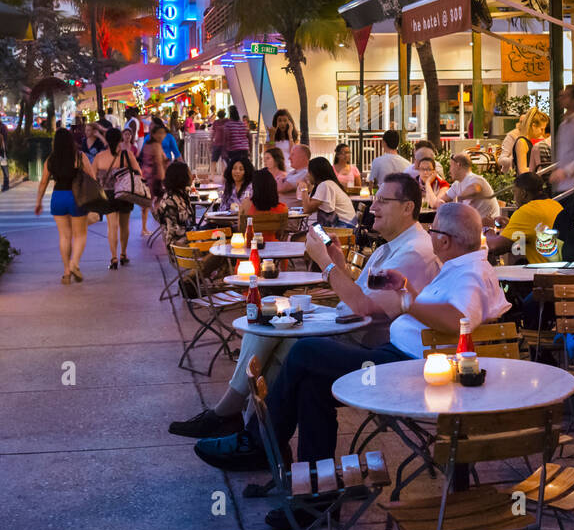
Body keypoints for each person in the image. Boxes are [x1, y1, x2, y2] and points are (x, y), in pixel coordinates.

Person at [193, 203, 509, 526]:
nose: (429, 235)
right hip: (401, 360)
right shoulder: (460, 266)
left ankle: (260, 444)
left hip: (409, 372)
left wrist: (406, 300)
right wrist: (407, 289)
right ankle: (315, 501)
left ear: (445, 240)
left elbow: (459, 320)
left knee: (305, 352)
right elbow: (436, 310)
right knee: (311, 385)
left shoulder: (471, 274)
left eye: (434, 231)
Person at [170, 173, 441, 442]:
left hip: (366, 345)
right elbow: (361, 293)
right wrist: (339, 263)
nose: (372, 207)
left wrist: (325, 262)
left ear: (408, 207)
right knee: (271, 317)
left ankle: (239, 424)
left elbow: (362, 305)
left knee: (280, 340)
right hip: (351, 330)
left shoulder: (413, 253)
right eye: (375, 199)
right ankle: (250, 432)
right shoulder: (393, 247)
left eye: (382, 200)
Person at [34, 128, 96, 286]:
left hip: (58, 198)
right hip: (76, 197)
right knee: (80, 234)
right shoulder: (79, 157)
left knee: (64, 236)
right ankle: (74, 263)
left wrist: (39, 201)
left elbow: (43, 183)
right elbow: (92, 177)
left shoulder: (51, 159)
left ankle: (66, 273)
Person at [484, 172, 563, 264]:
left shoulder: (527, 211)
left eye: (515, 192)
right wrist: (510, 224)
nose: (514, 197)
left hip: (543, 273)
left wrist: (488, 228)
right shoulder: (555, 205)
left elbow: (495, 247)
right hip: (560, 268)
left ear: (523, 193)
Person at [94, 127, 138, 270]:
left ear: (106, 140)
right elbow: (139, 172)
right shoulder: (127, 155)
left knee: (112, 227)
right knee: (124, 226)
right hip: (124, 193)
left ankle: (113, 257)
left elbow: (92, 177)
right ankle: (123, 254)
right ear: (120, 139)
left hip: (108, 195)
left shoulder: (100, 157)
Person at [442, 152, 499, 223]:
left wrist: (459, 198)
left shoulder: (475, 179)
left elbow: (475, 189)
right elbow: (441, 200)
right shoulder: (456, 184)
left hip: (489, 227)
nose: (449, 171)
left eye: (451, 166)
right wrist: (428, 184)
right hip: (473, 225)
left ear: (458, 165)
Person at [301, 156, 357, 228]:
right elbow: (309, 206)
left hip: (343, 227)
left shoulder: (325, 185)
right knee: (310, 230)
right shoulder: (328, 184)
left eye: (309, 172)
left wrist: (303, 189)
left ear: (315, 173)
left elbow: (307, 209)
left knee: (305, 234)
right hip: (347, 225)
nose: (307, 175)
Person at [153, 161, 196, 250]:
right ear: (182, 177)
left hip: (190, 241)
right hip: (183, 249)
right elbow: (172, 238)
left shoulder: (181, 195)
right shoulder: (170, 201)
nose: (192, 176)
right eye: (189, 172)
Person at [238, 168, 288, 239]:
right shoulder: (283, 209)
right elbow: (281, 234)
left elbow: (241, 229)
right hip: (274, 247)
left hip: (252, 245)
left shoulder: (246, 205)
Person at [139, 122, 168, 236]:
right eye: (159, 133)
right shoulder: (156, 146)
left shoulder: (147, 144)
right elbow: (159, 163)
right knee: (155, 201)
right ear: (154, 134)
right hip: (154, 177)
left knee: (147, 203)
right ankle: (154, 222)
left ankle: (144, 227)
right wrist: (162, 179)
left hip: (146, 176)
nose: (162, 136)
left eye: (163, 133)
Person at [513, 109, 550, 175]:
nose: (543, 132)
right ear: (533, 126)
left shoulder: (528, 141)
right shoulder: (522, 142)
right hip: (524, 183)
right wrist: (540, 169)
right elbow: (522, 170)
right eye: (541, 129)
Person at [277, 143, 311, 208]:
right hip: (284, 213)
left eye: (293, 155)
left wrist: (279, 178)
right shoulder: (293, 172)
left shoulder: (305, 173)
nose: (289, 158)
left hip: (294, 214)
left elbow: (281, 188)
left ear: (302, 157)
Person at [210, 109, 227, 177]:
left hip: (217, 143)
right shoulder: (227, 121)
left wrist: (211, 142)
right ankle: (223, 175)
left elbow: (213, 133)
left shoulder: (216, 122)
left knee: (214, 160)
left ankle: (212, 175)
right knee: (223, 160)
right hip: (224, 144)